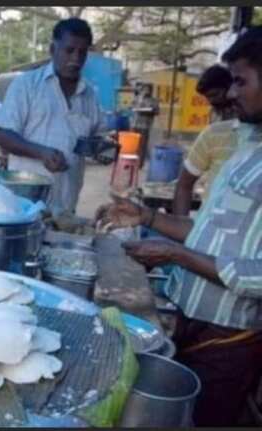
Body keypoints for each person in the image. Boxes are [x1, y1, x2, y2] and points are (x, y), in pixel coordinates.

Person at [95, 27, 262, 427]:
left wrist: (177, 255)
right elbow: (212, 232)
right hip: (195, 324)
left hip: (230, 337)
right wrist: (148, 218)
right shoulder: (249, 150)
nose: (231, 93)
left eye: (241, 81)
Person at [0, 18, 104, 217]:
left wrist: (101, 148)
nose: (76, 58)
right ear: (53, 49)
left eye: (82, 52)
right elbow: (3, 134)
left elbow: (94, 139)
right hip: (24, 206)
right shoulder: (27, 85)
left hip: (66, 206)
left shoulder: (89, 94)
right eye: (69, 50)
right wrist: (41, 152)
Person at [172, 65, 238, 215]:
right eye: (208, 97)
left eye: (215, 95)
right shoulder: (215, 119)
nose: (211, 101)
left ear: (229, 87)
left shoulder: (246, 114)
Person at [131, 83, 159, 167]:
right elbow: (132, 107)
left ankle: (139, 164)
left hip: (145, 125)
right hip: (135, 124)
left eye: (148, 89)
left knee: (142, 145)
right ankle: (131, 162)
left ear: (151, 91)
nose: (146, 91)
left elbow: (157, 111)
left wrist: (151, 110)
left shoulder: (153, 100)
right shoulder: (137, 98)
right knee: (133, 144)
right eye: (144, 89)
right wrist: (136, 106)